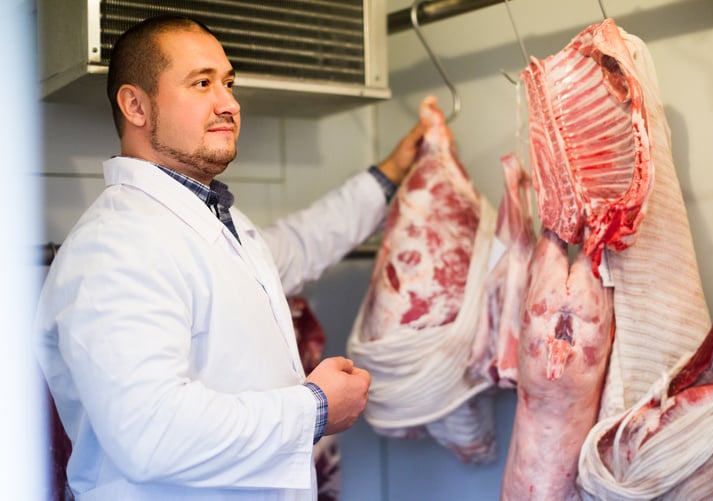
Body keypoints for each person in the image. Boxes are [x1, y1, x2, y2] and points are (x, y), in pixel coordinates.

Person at [34, 15, 424, 499]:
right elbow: (150, 434)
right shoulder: (113, 245)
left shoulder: (213, 221)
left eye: (229, 82)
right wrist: (317, 409)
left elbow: (298, 247)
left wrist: (390, 173)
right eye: (202, 84)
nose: (230, 103)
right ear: (135, 105)